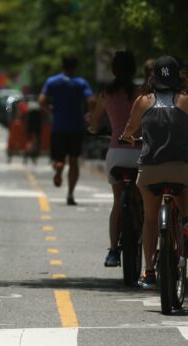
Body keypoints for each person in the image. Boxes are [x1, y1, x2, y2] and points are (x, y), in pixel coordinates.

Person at [120, 55, 188, 289]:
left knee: (150, 219)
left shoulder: (143, 101)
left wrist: (128, 137)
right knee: (186, 214)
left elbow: (129, 129)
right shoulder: (186, 100)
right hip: (182, 170)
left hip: (150, 171)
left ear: (154, 77)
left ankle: (148, 271)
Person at [87, 51, 142, 267]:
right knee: (140, 199)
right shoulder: (142, 94)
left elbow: (94, 123)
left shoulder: (105, 94)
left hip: (116, 154)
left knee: (117, 201)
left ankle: (112, 251)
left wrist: (93, 128)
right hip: (140, 152)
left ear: (113, 70)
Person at [39, 55, 95, 205]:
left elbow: (42, 100)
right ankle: (70, 193)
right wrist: (89, 114)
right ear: (75, 66)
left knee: (59, 158)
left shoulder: (52, 81)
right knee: (74, 160)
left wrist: (50, 110)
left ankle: (58, 167)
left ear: (62, 65)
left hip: (58, 127)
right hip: (76, 127)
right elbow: (91, 99)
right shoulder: (81, 83)